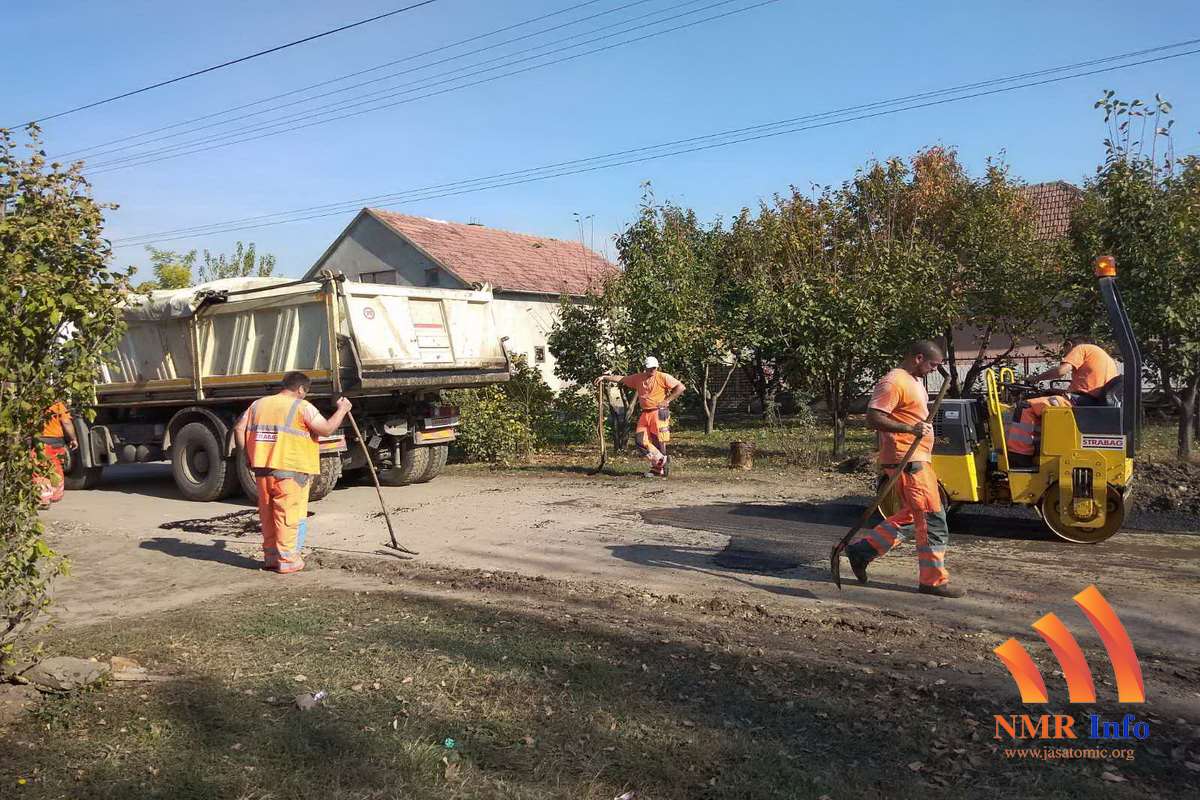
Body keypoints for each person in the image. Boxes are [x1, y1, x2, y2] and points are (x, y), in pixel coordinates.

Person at [843, 341, 964, 598]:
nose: (934, 370)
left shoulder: (914, 381)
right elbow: (873, 418)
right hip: (906, 460)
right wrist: (911, 429)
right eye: (932, 364)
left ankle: (863, 550)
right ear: (918, 358)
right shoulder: (894, 381)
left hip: (916, 458)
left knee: (914, 516)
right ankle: (933, 581)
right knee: (932, 519)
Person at [234, 372, 351, 574]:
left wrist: (246, 455)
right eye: (306, 392)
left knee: (268, 515)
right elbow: (326, 429)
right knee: (288, 516)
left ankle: (271, 559)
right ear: (301, 389)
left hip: (262, 471)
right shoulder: (302, 406)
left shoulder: (257, 405)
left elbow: (238, 429)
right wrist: (342, 409)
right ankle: (288, 561)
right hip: (291, 471)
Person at [1006, 335, 1120, 467]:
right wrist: (1055, 392)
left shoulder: (1082, 348)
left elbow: (1061, 371)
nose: (1065, 357)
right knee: (1042, 404)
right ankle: (1037, 449)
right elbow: (1088, 388)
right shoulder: (1104, 357)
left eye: (1065, 352)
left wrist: (1036, 378)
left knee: (1025, 407)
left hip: (1079, 402)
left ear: (1070, 345)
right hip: (1090, 403)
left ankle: (1019, 457)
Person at [597, 357, 686, 478]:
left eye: (654, 368)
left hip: (659, 412)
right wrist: (605, 377)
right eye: (649, 368)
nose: (652, 370)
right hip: (645, 413)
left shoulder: (663, 377)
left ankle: (658, 469)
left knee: (659, 440)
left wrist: (667, 400)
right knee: (640, 440)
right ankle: (661, 460)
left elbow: (681, 387)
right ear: (645, 368)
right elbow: (622, 379)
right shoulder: (639, 378)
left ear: (657, 367)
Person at [34, 402, 78, 509]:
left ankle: (44, 499)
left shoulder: (33, 403)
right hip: (57, 442)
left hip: (41, 442)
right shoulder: (58, 405)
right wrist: (73, 439)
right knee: (56, 467)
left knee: (41, 470)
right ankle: (56, 495)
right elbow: (66, 422)